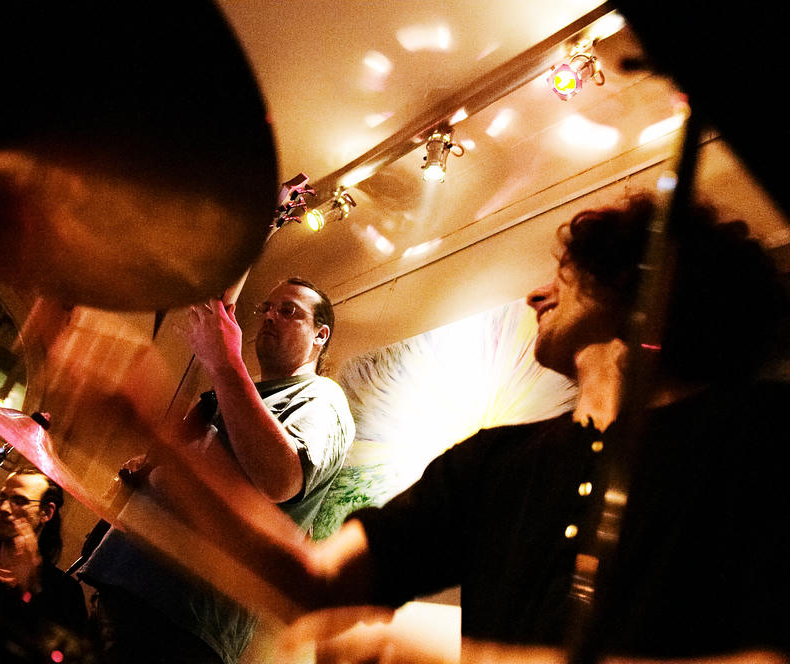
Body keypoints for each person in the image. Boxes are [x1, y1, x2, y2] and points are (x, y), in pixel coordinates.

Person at [292, 194, 790, 661]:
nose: (535, 295)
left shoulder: (765, 432)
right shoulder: (492, 462)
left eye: (565, 276)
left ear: (633, 280)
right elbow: (318, 580)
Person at [79, 277, 356, 664]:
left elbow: (282, 480)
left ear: (320, 335)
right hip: (126, 584)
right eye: (267, 308)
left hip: (182, 622)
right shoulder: (239, 392)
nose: (270, 316)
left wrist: (226, 363)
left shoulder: (323, 399)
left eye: (288, 311)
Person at [0, 468, 88, 633]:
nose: (4, 508)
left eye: (19, 500)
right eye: (3, 497)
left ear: (46, 512)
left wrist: (30, 589)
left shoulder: (66, 593)